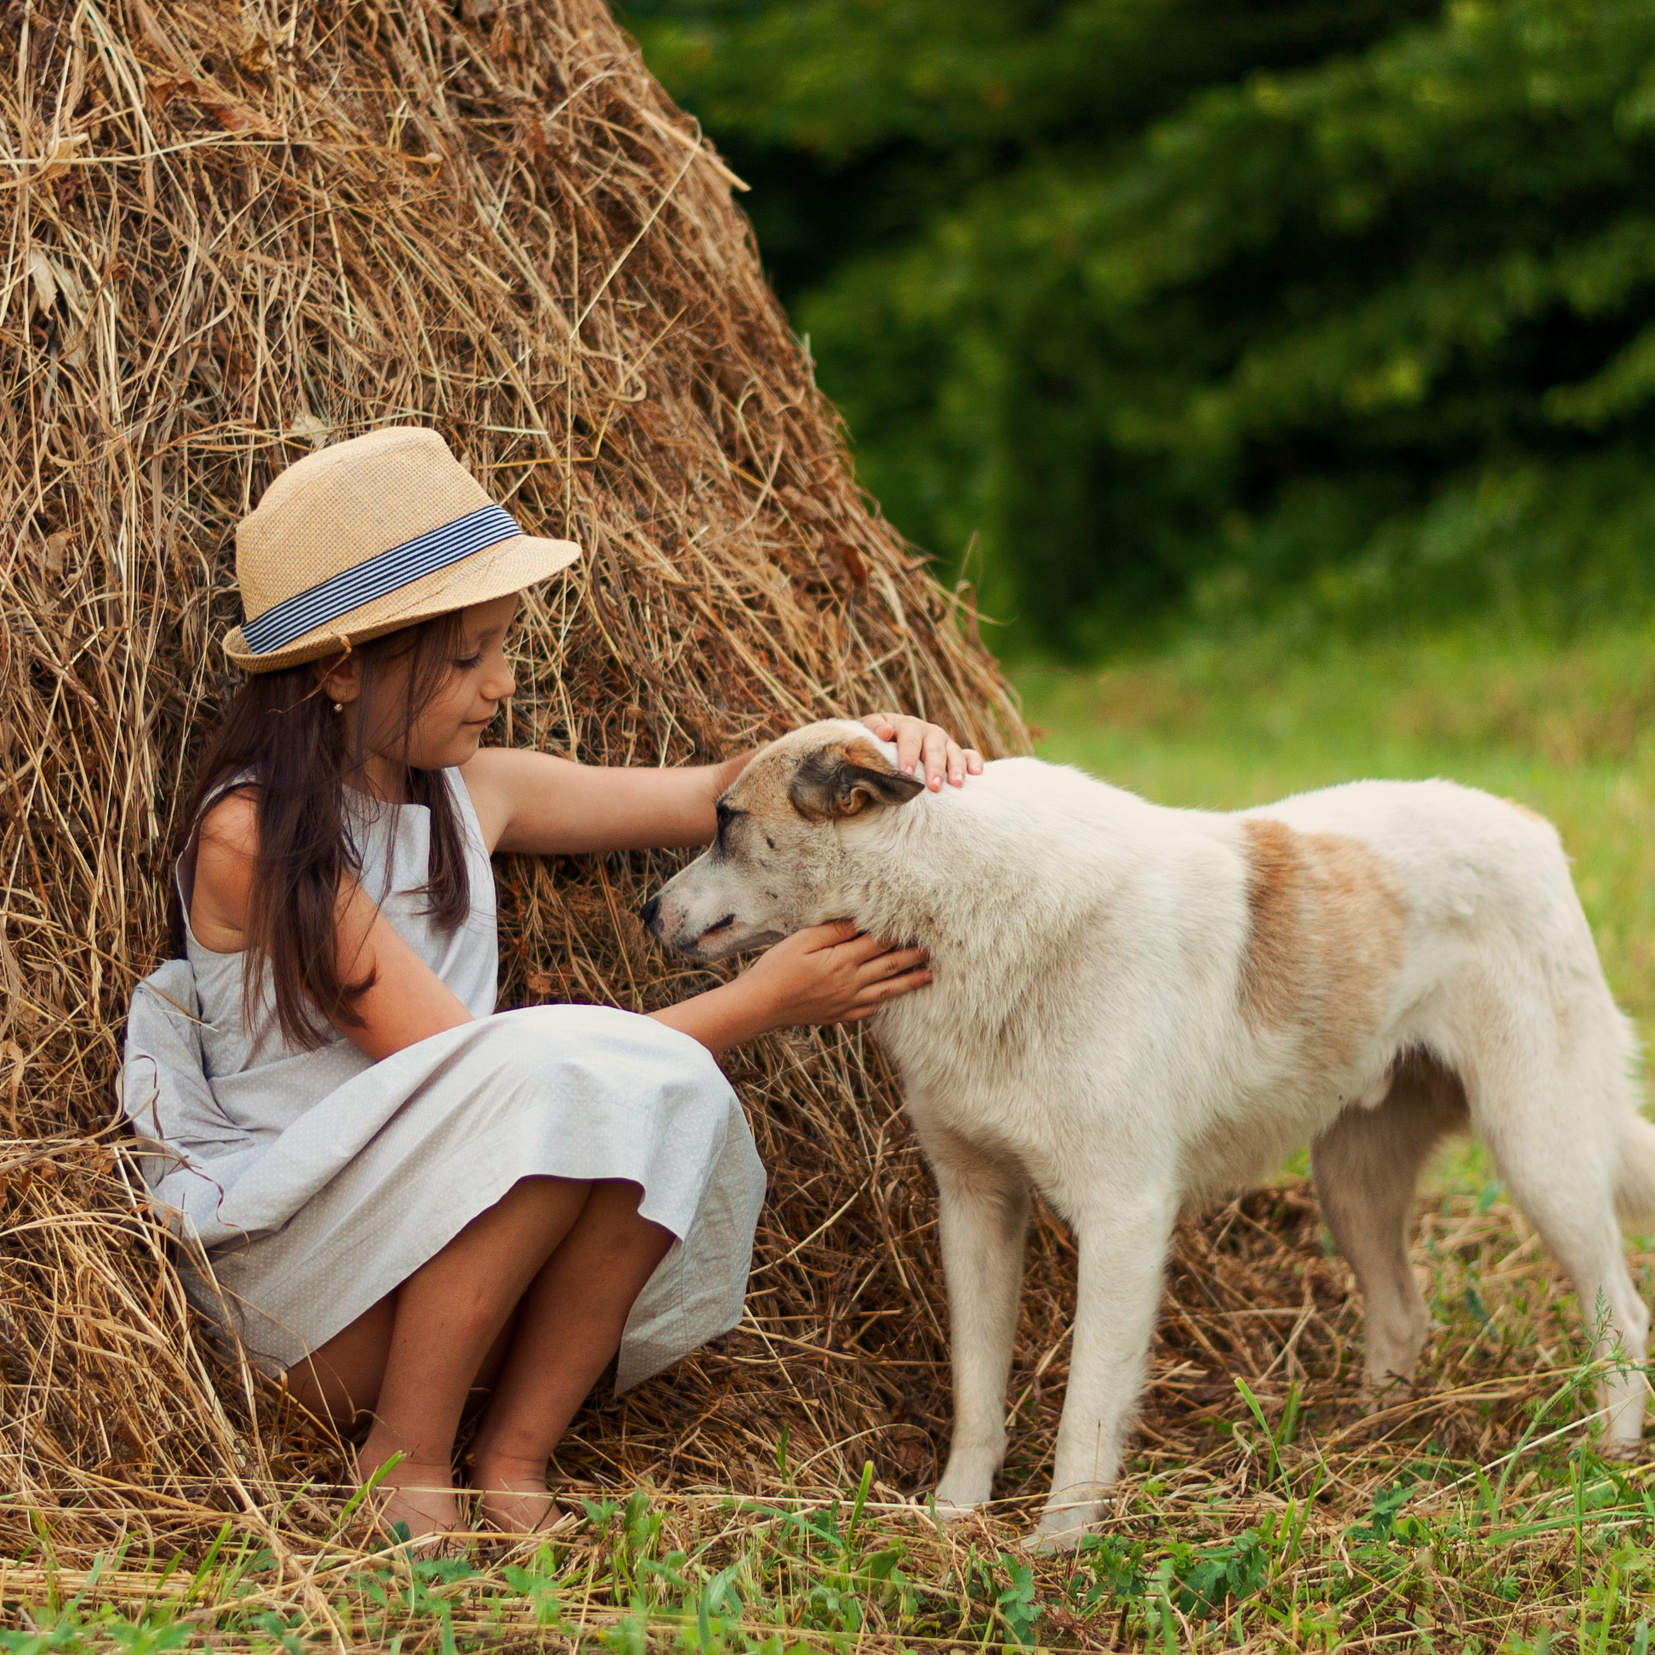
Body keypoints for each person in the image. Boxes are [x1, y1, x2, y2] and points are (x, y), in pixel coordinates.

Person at [120, 426, 982, 1550]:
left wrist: (862, 740)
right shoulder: (258, 835)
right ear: (340, 667)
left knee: (663, 1085)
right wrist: (753, 1002)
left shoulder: (474, 792)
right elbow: (457, 1071)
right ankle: (403, 1454)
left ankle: (514, 1451)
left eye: (504, 647)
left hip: (454, 1276)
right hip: (305, 1307)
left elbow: (720, 788)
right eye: (468, 656)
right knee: (562, 1075)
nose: (503, 682)